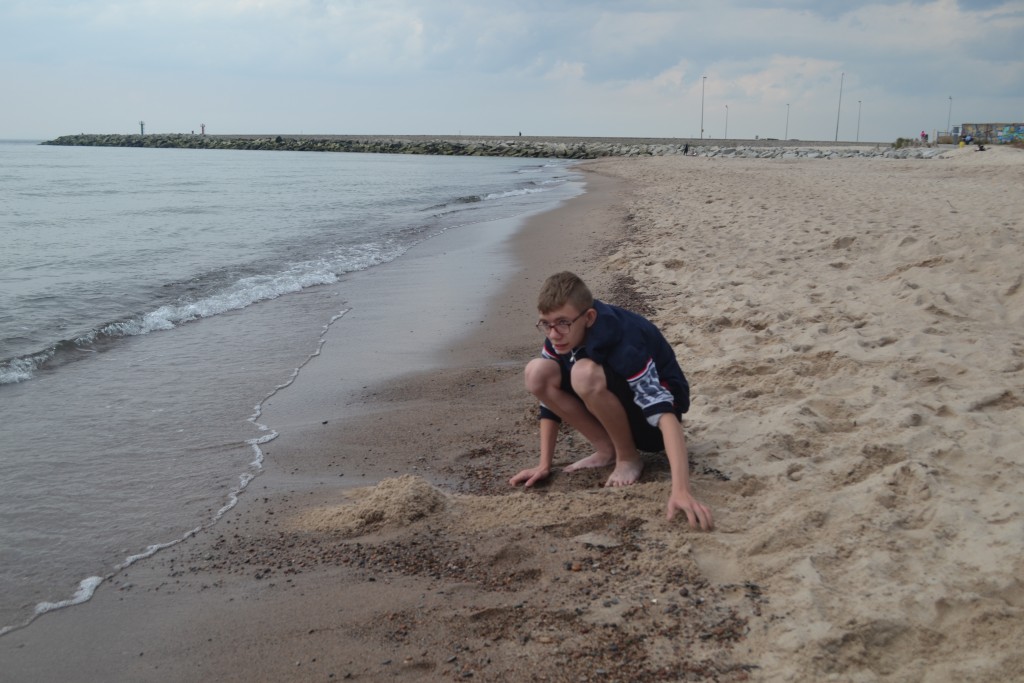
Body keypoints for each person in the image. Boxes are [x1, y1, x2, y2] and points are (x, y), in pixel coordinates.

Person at [509, 271, 714, 530]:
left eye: (562, 323)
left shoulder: (623, 341)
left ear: (589, 317)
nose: (553, 333)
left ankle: (628, 458)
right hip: (611, 406)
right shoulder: (561, 335)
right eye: (545, 324)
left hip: (650, 429)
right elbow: (548, 398)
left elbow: (665, 413)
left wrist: (681, 490)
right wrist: (544, 463)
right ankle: (607, 449)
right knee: (536, 372)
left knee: (583, 373)